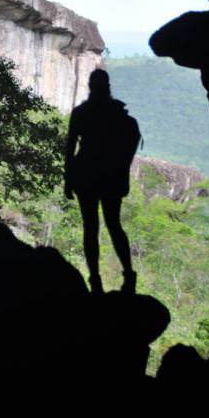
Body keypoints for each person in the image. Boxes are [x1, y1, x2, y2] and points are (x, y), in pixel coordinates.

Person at [64, 68, 139, 295]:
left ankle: (95, 281)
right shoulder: (118, 114)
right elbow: (130, 143)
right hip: (111, 178)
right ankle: (128, 276)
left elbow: (69, 148)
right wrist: (122, 170)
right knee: (114, 225)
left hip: (86, 176)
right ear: (108, 86)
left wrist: (68, 180)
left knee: (91, 227)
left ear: (90, 86)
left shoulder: (81, 113)